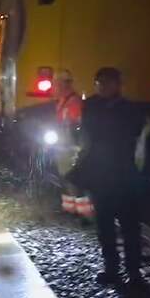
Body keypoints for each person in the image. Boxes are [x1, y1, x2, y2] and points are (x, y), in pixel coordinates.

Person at [71, 67, 150, 287]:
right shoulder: (96, 107)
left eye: (108, 82)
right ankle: (114, 269)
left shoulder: (125, 110)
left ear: (118, 85)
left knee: (128, 226)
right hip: (107, 175)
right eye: (100, 82)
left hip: (122, 175)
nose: (103, 86)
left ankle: (132, 271)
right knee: (107, 226)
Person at [52, 70, 92, 217]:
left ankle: (84, 215)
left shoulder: (73, 102)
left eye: (56, 84)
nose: (54, 87)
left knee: (73, 180)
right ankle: (70, 210)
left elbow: (77, 126)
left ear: (64, 85)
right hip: (64, 148)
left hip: (71, 149)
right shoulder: (63, 101)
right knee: (66, 179)